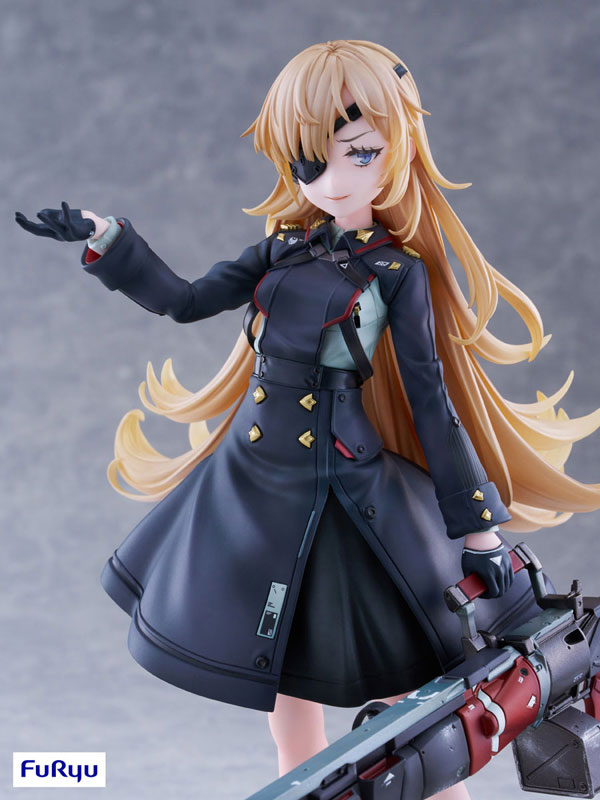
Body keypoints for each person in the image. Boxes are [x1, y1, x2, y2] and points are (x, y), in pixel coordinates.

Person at [16, 40, 600, 800]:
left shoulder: (397, 273)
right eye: (308, 161)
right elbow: (184, 300)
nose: (331, 179)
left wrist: (481, 529)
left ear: (397, 149)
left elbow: (431, 401)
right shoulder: (282, 251)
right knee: (289, 706)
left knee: (411, 712)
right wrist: (108, 239)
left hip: (347, 496)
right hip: (253, 486)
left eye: (358, 154)